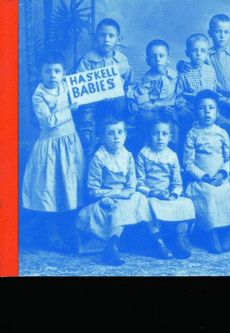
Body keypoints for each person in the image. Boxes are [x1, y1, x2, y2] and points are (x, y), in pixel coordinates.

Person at [22, 51, 85, 252]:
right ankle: (51, 235)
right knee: (50, 189)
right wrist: (70, 110)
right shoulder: (38, 95)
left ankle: (71, 231)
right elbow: (49, 121)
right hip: (50, 147)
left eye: (57, 71)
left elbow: (86, 90)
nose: (52, 75)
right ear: (40, 73)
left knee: (70, 187)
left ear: (63, 72)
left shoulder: (66, 86)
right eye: (47, 71)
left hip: (70, 144)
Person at [77, 118, 150, 266]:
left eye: (120, 132)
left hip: (125, 196)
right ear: (103, 137)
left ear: (125, 135)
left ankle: (151, 239)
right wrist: (114, 195)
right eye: (111, 133)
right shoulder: (99, 158)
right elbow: (93, 190)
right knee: (118, 207)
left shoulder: (128, 156)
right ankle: (112, 245)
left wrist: (123, 194)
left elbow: (131, 186)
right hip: (105, 199)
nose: (116, 137)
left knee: (140, 198)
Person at [74, 18, 133, 158]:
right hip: (91, 102)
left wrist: (127, 95)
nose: (106, 39)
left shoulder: (122, 60)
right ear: (95, 38)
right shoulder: (87, 59)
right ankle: (87, 152)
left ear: (118, 39)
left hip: (115, 101)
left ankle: (117, 148)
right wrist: (97, 94)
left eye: (111, 36)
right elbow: (80, 85)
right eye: (102, 35)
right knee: (86, 123)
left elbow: (129, 83)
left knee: (121, 103)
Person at [183, 90, 230, 254]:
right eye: (202, 108)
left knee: (227, 191)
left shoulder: (222, 133)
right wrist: (204, 176)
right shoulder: (192, 134)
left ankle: (226, 230)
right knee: (208, 193)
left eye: (211, 108)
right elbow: (188, 163)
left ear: (217, 111)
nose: (207, 112)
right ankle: (211, 233)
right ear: (195, 112)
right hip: (201, 180)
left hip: (221, 178)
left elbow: (229, 159)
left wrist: (222, 174)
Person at [136, 118, 195, 260]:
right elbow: (138, 182)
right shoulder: (143, 154)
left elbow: (177, 183)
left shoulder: (172, 156)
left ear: (170, 137)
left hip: (168, 195)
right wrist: (152, 192)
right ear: (149, 135)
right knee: (147, 207)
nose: (160, 137)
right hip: (151, 195)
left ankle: (180, 239)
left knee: (186, 204)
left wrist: (173, 195)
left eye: (164, 134)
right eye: (155, 133)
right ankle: (158, 242)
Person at [127, 40, 178, 152]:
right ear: (148, 61)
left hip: (170, 109)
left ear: (168, 59)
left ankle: (174, 154)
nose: (157, 59)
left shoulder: (174, 76)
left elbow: (179, 92)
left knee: (175, 128)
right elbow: (142, 102)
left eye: (161, 56)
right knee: (147, 122)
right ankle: (146, 153)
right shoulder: (146, 80)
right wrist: (158, 108)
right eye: (153, 57)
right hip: (153, 111)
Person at [175, 34, 218, 132]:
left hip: (208, 109)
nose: (199, 54)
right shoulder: (184, 72)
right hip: (191, 110)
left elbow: (214, 91)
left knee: (222, 125)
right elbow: (178, 95)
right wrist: (182, 107)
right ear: (187, 53)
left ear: (207, 53)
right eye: (195, 50)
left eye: (203, 51)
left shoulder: (211, 70)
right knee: (189, 127)